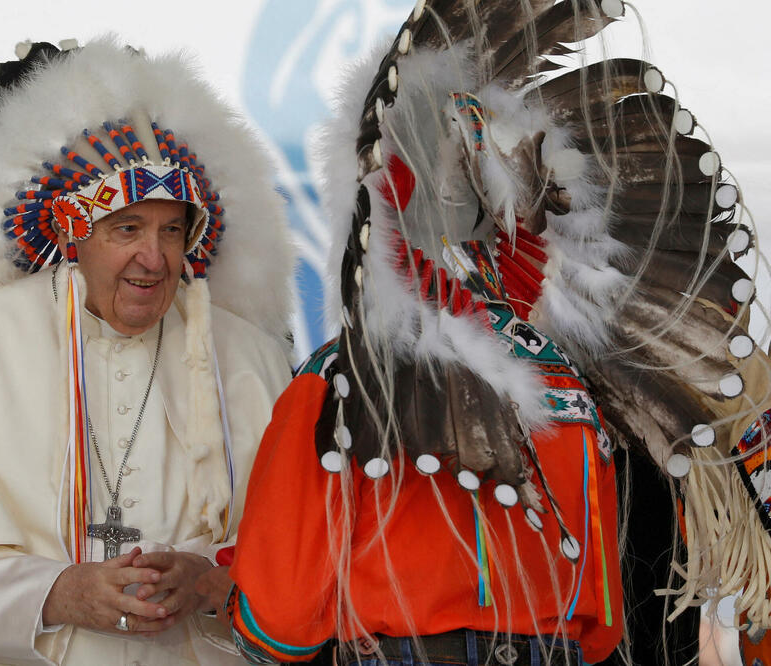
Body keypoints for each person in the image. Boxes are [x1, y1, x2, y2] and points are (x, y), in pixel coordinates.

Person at [197, 1, 771, 664]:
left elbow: (282, 618)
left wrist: (242, 598)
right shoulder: (572, 384)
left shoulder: (340, 382)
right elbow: (603, 622)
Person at [0, 37, 294, 665]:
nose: (153, 258)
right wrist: (57, 592)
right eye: (126, 227)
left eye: (171, 230)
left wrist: (210, 577)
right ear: (74, 232)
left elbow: (299, 548)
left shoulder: (247, 355)